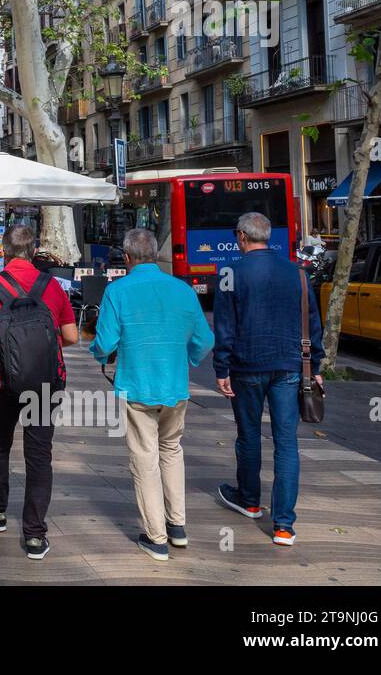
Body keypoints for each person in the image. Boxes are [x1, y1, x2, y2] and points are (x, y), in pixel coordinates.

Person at [90, 228, 215, 561]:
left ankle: (155, 536)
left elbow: (104, 343)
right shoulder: (182, 290)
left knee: (144, 457)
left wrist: (102, 356)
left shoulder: (118, 291)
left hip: (137, 386)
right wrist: (186, 358)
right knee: (171, 449)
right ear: (155, 256)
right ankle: (178, 527)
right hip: (175, 385)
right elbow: (205, 340)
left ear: (127, 258)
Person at [0, 224, 79, 560]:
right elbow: (72, 336)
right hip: (45, 383)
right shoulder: (53, 287)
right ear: (33, 252)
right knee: (39, 455)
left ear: (3, 250)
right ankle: (34, 535)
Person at [213, 212, 324, 547]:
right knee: (286, 442)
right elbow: (312, 322)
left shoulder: (230, 273)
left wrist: (222, 369)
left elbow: (225, 327)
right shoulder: (298, 274)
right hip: (290, 366)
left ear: (242, 237)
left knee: (248, 436)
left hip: (246, 367)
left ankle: (249, 500)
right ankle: (284, 526)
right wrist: (316, 365)